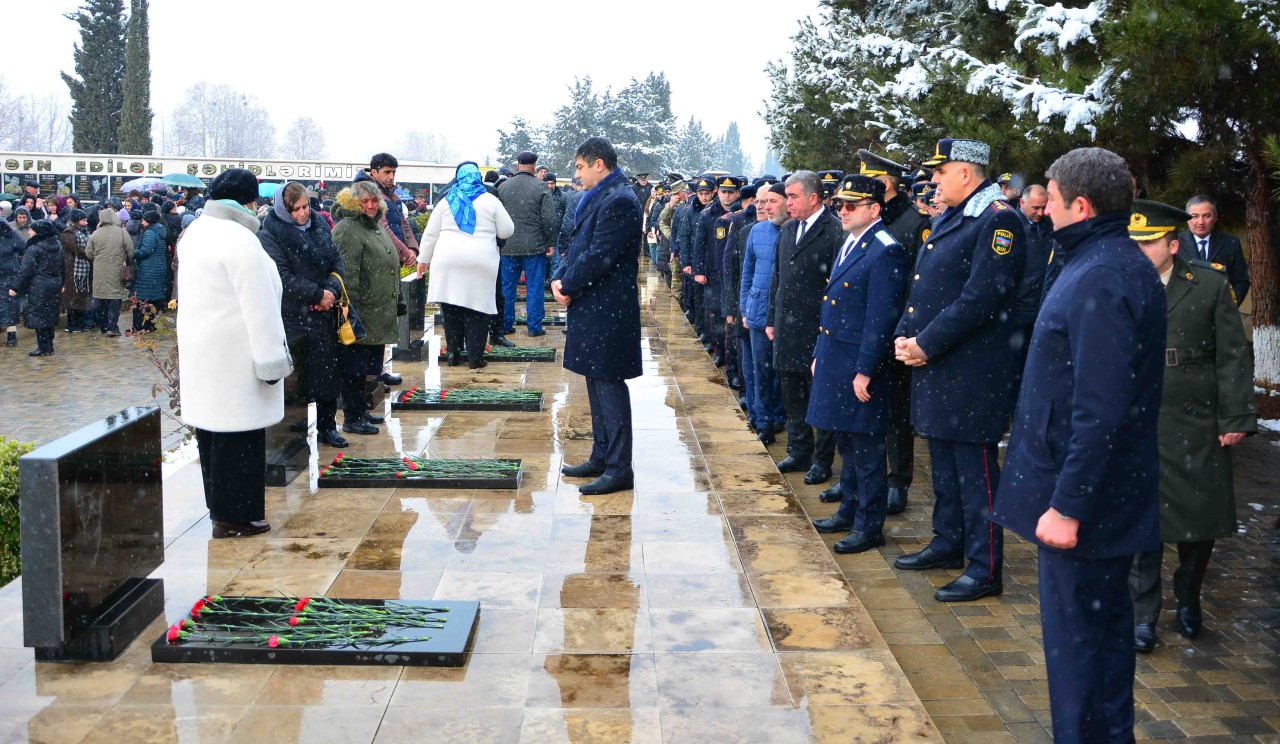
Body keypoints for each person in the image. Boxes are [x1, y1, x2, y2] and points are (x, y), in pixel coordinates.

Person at [990, 147, 1165, 744]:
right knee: (1100, 646)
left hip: (1087, 509)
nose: (1045, 209)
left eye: (1053, 200)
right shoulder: (1101, 262)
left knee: (1081, 658)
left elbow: (1101, 408)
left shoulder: (1103, 275)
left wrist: (1067, 506)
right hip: (1095, 502)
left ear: (1081, 205)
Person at [893, 138, 1025, 603]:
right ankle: (948, 543)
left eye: (940, 171)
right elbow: (925, 284)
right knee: (946, 467)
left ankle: (985, 567)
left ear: (966, 173)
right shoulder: (956, 215)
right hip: (940, 365)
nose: (932, 180)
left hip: (973, 371)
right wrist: (906, 335)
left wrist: (925, 342)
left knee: (976, 473)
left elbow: (980, 298)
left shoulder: (998, 220)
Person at [1126, 199, 1257, 652]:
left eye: (1149, 243)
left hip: (1196, 417)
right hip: (1139, 418)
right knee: (1141, 522)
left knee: (1198, 521)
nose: (1139, 250)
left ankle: (1188, 595)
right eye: (1134, 242)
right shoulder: (1119, 283)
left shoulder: (1206, 284)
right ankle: (1142, 614)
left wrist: (1235, 415)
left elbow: (1232, 355)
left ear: (1173, 244)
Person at [177, 168, 293, 539]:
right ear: (248, 200)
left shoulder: (195, 232)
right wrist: (271, 360)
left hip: (204, 352)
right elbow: (259, 308)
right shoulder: (241, 241)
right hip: (236, 355)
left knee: (212, 436)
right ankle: (237, 517)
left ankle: (219, 511)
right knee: (240, 439)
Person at [808, 175, 910, 554]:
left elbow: (880, 318)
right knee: (846, 442)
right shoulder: (853, 242)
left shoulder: (885, 249)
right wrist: (820, 350)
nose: (843, 211)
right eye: (840, 205)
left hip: (860, 363)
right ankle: (849, 509)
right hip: (837, 356)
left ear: (874, 208)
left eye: (852, 205)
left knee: (866, 449)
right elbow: (831, 302)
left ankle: (870, 525)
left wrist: (866, 369)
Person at [552, 136, 643, 496]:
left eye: (579, 166)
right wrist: (560, 276)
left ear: (598, 165)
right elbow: (578, 246)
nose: (576, 174)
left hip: (609, 308)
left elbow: (600, 255)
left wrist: (568, 284)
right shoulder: (602, 195)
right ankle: (602, 455)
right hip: (594, 306)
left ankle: (620, 467)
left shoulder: (619, 199)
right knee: (594, 379)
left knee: (609, 384)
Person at [855, 150, 932, 513]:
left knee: (898, 411)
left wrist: (906, 331)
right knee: (866, 404)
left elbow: (921, 283)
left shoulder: (914, 222)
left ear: (885, 184)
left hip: (899, 330)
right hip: (868, 328)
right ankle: (863, 476)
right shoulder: (868, 221)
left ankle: (898, 480)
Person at [259, 181, 350, 449]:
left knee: (327, 372)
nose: (303, 213)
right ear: (284, 210)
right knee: (296, 376)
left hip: (323, 313)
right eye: (296, 209)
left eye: (306, 206)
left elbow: (336, 260)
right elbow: (282, 276)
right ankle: (292, 430)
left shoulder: (319, 226)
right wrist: (316, 294)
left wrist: (330, 290)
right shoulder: (271, 235)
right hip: (293, 315)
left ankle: (327, 426)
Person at [768, 170, 841, 485]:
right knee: (792, 394)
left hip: (817, 329)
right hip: (787, 327)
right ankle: (799, 450)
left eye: (793, 196)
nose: (788, 202)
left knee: (820, 399)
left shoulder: (835, 231)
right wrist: (772, 317)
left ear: (814, 197)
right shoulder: (787, 231)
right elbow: (778, 279)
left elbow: (838, 289)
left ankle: (822, 460)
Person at [418, 163, 514, 369]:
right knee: (478, 311)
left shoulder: (446, 200)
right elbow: (506, 230)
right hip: (480, 262)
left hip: (447, 262)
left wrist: (423, 260)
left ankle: (453, 352)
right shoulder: (490, 200)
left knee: (451, 308)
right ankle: (475, 358)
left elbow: (430, 234)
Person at [331, 180, 401, 435]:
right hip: (360, 312)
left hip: (376, 310)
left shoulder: (373, 226)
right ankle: (352, 416)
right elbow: (347, 275)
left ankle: (360, 410)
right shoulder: (348, 229)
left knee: (366, 368)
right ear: (354, 203)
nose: (371, 206)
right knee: (353, 367)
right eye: (365, 202)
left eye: (374, 201)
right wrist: (352, 314)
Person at [739, 182, 787, 443]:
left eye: (772, 202)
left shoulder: (794, 230)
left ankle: (780, 416)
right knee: (761, 369)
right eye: (763, 202)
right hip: (758, 311)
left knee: (783, 373)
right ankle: (763, 420)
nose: (766, 207)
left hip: (786, 314)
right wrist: (745, 306)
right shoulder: (757, 232)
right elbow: (747, 273)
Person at [498, 151, 559, 337]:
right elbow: (549, 218)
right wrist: (550, 242)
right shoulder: (541, 187)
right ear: (534, 166)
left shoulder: (503, 187)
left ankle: (506, 325)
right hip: (534, 246)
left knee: (507, 287)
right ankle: (534, 327)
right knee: (535, 287)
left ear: (517, 165)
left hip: (508, 246)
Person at [1178, 195, 1249, 306]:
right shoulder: (1174, 244)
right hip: (1183, 315)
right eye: (1194, 216)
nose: (1201, 222)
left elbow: (1241, 281)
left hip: (1219, 315)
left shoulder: (1231, 243)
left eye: (1206, 216)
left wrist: (1227, 307)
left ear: (1216, 217)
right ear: (1187, 219)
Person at [7, 220, 63, 356]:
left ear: (39, 232)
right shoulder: (58, 245)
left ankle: (43, 347)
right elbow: (63, 267)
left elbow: (25, 271)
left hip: (38, 286)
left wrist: (15, 287)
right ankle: (49, 346)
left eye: (32, 230)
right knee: (49, 315)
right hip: (54, 284)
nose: (29, 232)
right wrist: (63, 283)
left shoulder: (34, 248)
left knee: (39, 317)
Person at [84, 206, 133, 337]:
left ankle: (103, 326)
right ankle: (112, 326)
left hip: (99, 270)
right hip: (116, 269)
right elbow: (130, 250)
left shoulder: (95, 233)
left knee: (101, 298)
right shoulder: (122, 232)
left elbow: (88, 253)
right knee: (114, 298)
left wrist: (99, 258)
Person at [131, 210, 169, 333]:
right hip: (158, 269)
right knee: (154, 299)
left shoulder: (150, 233)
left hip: (148, 270)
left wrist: (132, 253)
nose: (142, 222)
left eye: (144, 220)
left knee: (142, 298)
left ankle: (141, 326)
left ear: (148, 221)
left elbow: (146, 250)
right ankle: (152, 324)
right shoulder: (160, 231)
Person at [59, 209, 92, 333]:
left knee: (80, 298)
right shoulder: (69, 232)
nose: (86, 222)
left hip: (82, 269)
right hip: (73, 269)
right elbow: (74, 248)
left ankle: (80, 323)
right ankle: (72, 324)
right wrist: (87, 253)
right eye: (83, 220)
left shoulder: (83, 232)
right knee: (73, 298)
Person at [0, 217, 25, 347]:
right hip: (8, 274)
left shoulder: (11, 236)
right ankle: (10, 335)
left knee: (10, 306)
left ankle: (11, 335)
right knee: (9, 306)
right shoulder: (12, 235)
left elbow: (22, 248)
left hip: (8, 276)